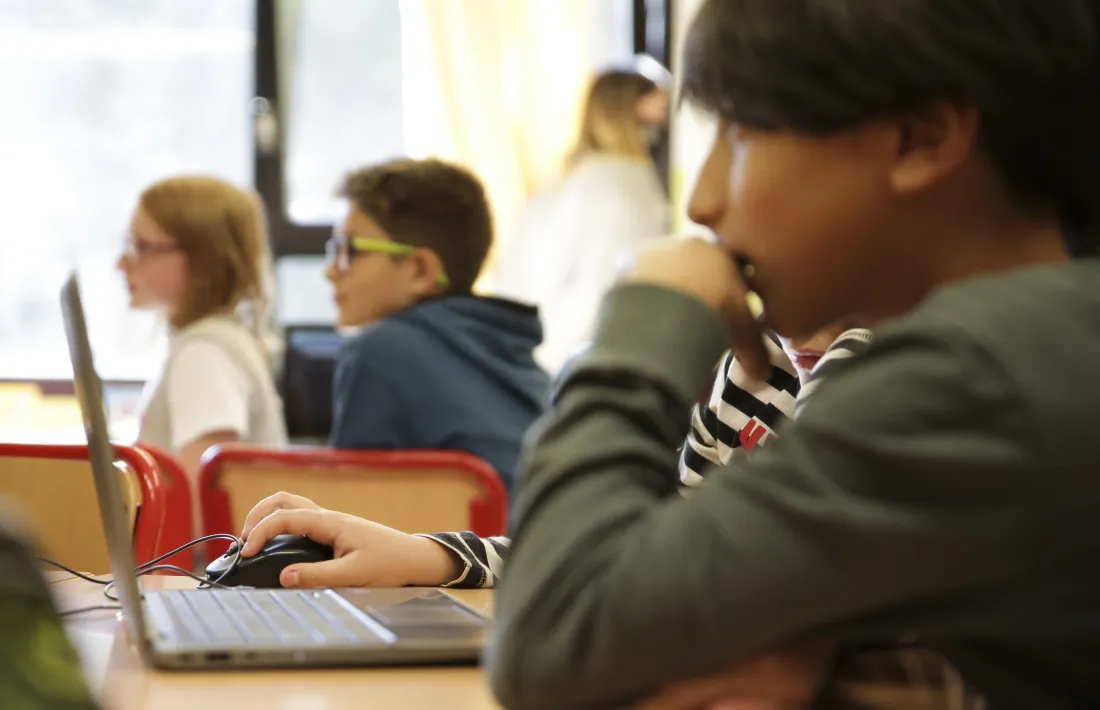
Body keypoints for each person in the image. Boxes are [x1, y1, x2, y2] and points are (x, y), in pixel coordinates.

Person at [475, 0, 1100, 707]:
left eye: (739, 134)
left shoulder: (971, 373)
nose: (704, 201)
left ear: (922, 139)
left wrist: (638, 338)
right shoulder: (1047, 336)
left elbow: (553, 636)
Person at [235, 323, 871, 590]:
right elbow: (641, 560)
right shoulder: (755, 368)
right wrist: (423, 554)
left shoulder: (907, 371)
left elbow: (792, 577)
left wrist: (849, 345)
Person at [324, 159, 550, 493]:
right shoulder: (510, 349)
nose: (330, 271)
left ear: (420, 270)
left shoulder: (381, 350)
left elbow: (344, 511)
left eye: (348, 251)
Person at [121, 176, 287, 535]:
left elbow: (194, 514)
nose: (123, 262)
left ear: (202, 259)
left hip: (197, 579)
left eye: (141, 246)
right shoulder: (211, 341)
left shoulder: (204, 354)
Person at [495, 68, 671, 375]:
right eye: (658, 108)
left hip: (534, 351)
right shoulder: (621, 185)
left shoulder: (571, 174)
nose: (665, 121)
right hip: (570, 358)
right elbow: (602, 288)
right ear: (628, 110)